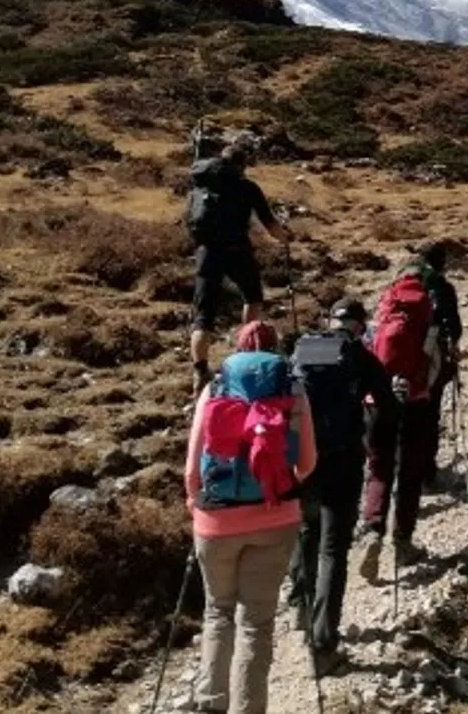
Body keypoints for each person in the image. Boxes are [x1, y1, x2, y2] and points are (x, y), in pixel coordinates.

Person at [185, 321, 316, 714]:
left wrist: (196, 503)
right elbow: (307, 464)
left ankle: (211, 703)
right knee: (256, 623)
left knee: (218, 611)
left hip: (216, 521)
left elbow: (192, 468)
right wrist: (282, 486)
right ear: (276, 349)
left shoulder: (215, 388)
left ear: (237, 348)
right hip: (275, 519)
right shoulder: (293, 390)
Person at [287, 299, 393, 672]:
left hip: (303, 460)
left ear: (330, 321)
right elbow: (386, 406)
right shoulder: (360, 356)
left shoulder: (302, 349)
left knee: (307, 533)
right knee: (333, 549)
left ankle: (300, 609)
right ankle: (323, 644)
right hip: (344, 460)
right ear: (360, 327)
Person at [357, 243, 462, 580]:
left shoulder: (387, 302)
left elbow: (369, 348)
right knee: (409, 473)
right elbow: (449, 337)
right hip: (416, 398)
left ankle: (372, 529)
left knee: (378, 469)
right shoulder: (432, 299)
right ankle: (402, 542)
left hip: (378, 400)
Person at [187, 139, 292, 393]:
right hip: (237, 250)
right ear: (242, 166)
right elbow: (270, 225)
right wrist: (286, 237)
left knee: (203, 316)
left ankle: (200, 371)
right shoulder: (247, 187)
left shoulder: (200, 184)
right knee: (253, 297)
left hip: (206, 252)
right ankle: (244, 350)